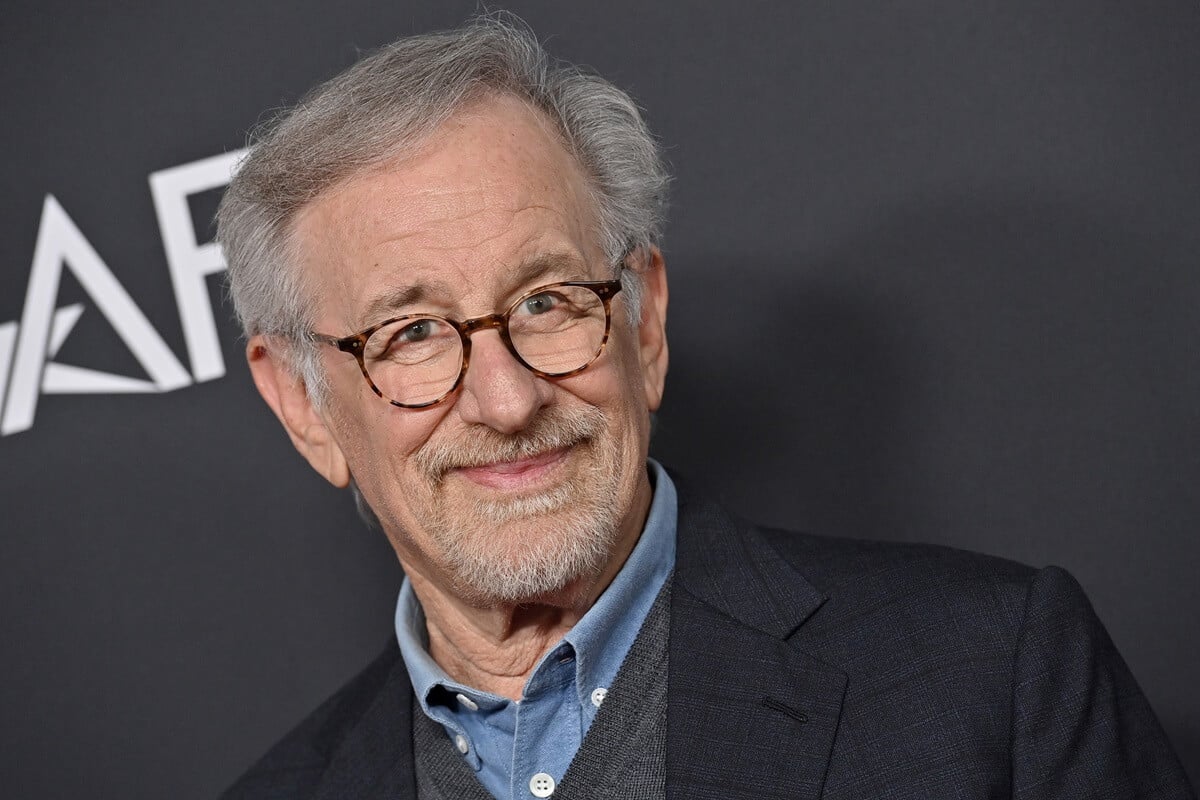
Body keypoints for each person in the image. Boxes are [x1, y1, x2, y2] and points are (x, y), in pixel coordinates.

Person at [217, 15, 1195, 800]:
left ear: (643, 324)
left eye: (549, 301)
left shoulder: (996, 677)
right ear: (303, 402)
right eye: (414, 333)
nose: (509, 398)